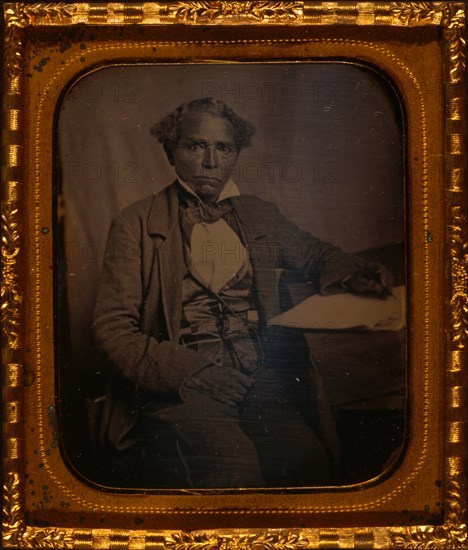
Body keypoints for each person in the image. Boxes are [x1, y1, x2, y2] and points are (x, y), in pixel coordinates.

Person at [93, 97, 393, 488]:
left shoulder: (258, 212)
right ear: (172, 150)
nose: (211, 161)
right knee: (233, 471)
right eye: (196, 145)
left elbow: (316, 254)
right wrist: (192, 372)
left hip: (257, 378)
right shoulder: (134, 223)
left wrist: (353, 275)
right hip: (182, 388)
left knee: (307, 464)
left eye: (224, 148)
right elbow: (112, 330)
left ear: (235, 154)